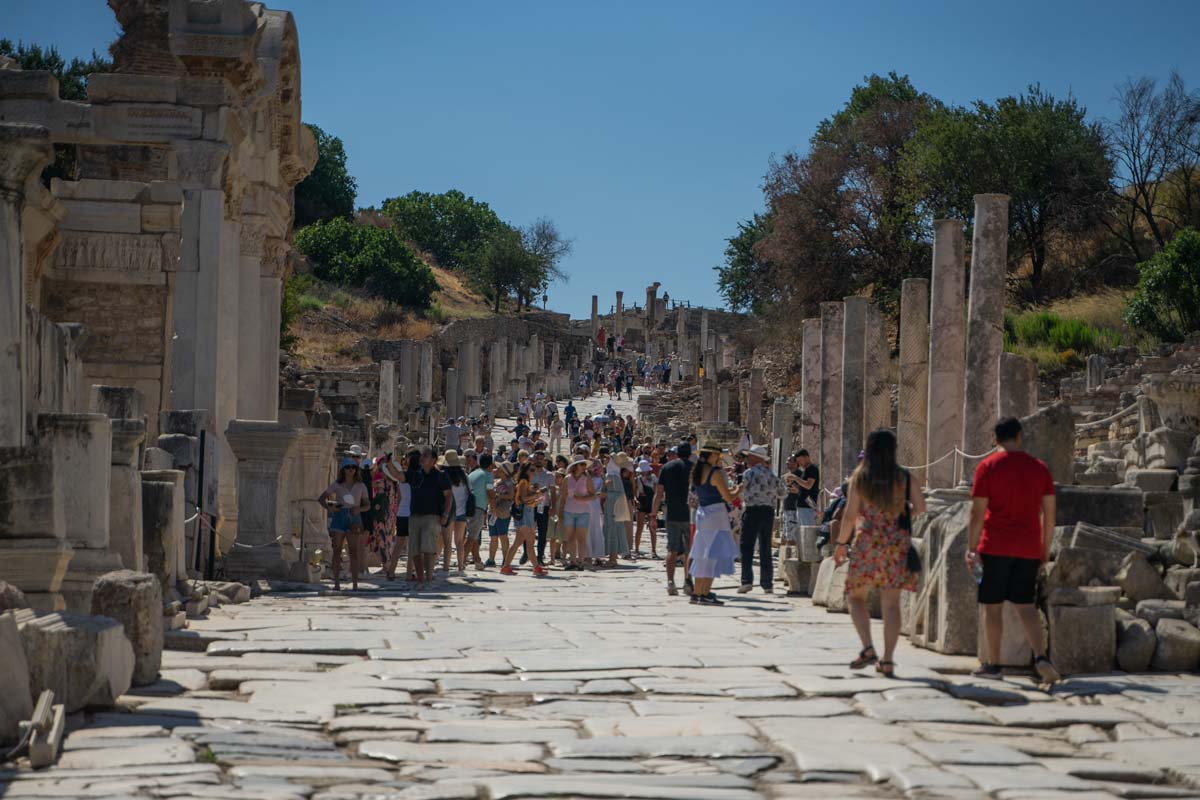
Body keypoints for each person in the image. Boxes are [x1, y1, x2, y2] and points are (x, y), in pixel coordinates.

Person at [967, 417, 1061, 684]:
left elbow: (977, 512)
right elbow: (1050, 514)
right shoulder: (1039, 469)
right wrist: (1044, 550)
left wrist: (971, 548)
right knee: (1026, 606)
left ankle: (993, 665)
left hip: (994, 546)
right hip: (1028, 547)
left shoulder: (987, 467)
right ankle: (1041, 657)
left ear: (995, 440)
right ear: (1019, 436)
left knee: (991, 607)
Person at [833, 430, 925, 677]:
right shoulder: (904, 477)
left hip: (867, 543)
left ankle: (867, 647)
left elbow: (850, 515)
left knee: (855, 597)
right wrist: (900, 513)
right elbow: (921, 506)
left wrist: (841, 543)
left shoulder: (860, 478)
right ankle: (887, 659)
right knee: (891, 604)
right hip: (896, 543)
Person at [689, 442, 741, 605]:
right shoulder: (716, 474)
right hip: (716, 515)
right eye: (717, 455)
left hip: (702, 514)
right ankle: (704, 593)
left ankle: (697, 593)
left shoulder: (696, 473)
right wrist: (740, 489)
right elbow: (728, 497)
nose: (719, 458)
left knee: (701, 555)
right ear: (711, 455)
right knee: (713, 555)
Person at [737, 444, 786, 594]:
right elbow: (783, 493)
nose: (747, 459)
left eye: (749, 456)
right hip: (768, 512)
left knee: (747, 546)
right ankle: (767, 584)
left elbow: (741, 491)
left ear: (754, 458)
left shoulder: (748, 473)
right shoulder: (771, 474)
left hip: (752, 511)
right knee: (765, 547)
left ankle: (746, 581)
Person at [319, 459, 370, 591]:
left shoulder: (361, 486)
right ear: (343, 470)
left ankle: (354, 584)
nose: (351, 469)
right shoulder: (337, 484)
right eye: (348, 467)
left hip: (354, 518)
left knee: (353, 551)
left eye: (353, 467)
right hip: (339, 516)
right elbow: (321, 498)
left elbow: (368, 505)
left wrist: (360, 509)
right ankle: (336, 584)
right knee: (337, 551)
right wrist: (330, 508)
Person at [408, 446, 453, 589]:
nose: (422, 457)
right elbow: (398, 476)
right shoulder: (416, 474)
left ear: (433, 460)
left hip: (432, 516)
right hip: (415, 515)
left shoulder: (441, 476)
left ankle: (428, 579)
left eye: (426, 455)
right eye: (422, 455)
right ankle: (421, 580)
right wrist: (388, 464)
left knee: (428, 549)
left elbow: (448, 496)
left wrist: (446, 514)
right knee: (415, 550)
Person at [653, 442, 694, 596]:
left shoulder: (667, 468)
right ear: (689, 454)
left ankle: (671, 582)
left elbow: (659, 492)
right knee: (689, 550)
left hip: (672, 512)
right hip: (689, 513)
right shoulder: (694, 468)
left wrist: (653, 513)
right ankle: (688, 581)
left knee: (672, 548)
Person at [501, 462, 547, 576]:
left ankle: (506, 567)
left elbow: (527, 501)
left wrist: (537, 500)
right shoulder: (523, 482)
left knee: (517, 543)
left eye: (534, 470)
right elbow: (523, 499)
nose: (533, 472)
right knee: (530, 542)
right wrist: (537, 494)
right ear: (525, 471)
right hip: (525, 515)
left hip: (527, 513)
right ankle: (536, 567)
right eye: (531, 470)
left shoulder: (526, 482)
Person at [441, 450, 470, 575]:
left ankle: (446, 567)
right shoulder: (464, 476)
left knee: (447, 542)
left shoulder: (444, 477)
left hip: (449, 512)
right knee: (459, 542)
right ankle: (460, 566)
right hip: (462, 512)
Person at [562, 457, 594, 570]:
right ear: (576, 466)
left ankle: (580, 561)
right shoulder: (567, 479)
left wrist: (581, 499)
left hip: (583, 511)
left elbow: (592, 494)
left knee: (581, 538)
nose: (584, 467)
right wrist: (559, 512)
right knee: (570, 537)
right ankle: (573, 561)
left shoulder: (587, 478)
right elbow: (563, 496)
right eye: (582, 465)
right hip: (569, 510)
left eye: (584, 465)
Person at [601, 454, 632, 565]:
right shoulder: (613, 475)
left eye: (607, 459)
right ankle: (612, 557)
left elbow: (618, 494)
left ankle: (613, 558)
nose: (605, 460)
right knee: (611, 531)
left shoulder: (612, 476)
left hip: (613, 509)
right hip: (611, 508)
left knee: (612, 531)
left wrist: (604, 494)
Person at [783, 449, 820, 542]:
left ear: (806, 457)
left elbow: (808, 485)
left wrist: (795, 477)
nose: (799, 463)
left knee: (808, 533)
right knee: (802, 534)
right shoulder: (805, 470)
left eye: (800, 461)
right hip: (801, 506)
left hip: (807, 506)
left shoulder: (812, 469)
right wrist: (794, 489)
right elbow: (802, 489)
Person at [465, 451, 491, 570]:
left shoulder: (473, 474)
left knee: (474, 536)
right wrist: (494, 508)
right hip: (479, 508)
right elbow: (490, 492)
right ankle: (462, 561)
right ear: (491, 465)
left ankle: (477, 561)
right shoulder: (488, 476)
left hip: (467, 508)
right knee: (471, 537)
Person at [487, 460, 516, 567]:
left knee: (503, 536)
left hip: (503, 511)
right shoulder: (497, 481)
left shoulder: (509, 483)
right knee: (493, 536)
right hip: (493, 511)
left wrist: (498, 496)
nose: (497, 469)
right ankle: (491, 559)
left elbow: (511, 496)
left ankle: (505, 559)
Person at [634, 460, 659, 559]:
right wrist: (635, 500)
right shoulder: (638, 479)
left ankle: (654, 550)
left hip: (651, 502)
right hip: (642, 501)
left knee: (653, 528)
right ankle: (636, 549)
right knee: (639, 527)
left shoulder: (653, 478)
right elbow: (635, 491)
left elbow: (656, 491)